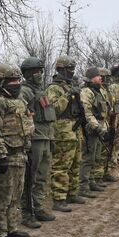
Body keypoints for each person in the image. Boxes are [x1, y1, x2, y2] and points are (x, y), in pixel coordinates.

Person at [0, 64, 32, 237]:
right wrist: (0, 155)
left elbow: (26, 124)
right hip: (6, 155)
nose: (17, 83)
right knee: (1, 196)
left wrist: (28, 146)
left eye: (19, 80)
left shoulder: (19, 100)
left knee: (15, 195)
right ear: (2, 81)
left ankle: (12, 227)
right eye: (13, 80)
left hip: (20, 153)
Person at [19, 57, 57, 227]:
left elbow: (49, 116)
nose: (40, 74)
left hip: (46, 137)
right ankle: (27, 213)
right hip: (34, 139)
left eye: (41, 71)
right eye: (36, 71)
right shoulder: (25, 91)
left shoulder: (42, 91)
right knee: (30, 177)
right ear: (27, 73)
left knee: (42, 176)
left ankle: (39, 207)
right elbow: (21, 116)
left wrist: (52, 137)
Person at [47, 56, 85, 212]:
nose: (71, 72)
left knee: (76, 163)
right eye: (69, 69)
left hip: (75, 129)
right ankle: (59, 198)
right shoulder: (53, 88)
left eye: (72, 69)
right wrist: (69, 95)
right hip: (62, 130)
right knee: (61, 165)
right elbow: (54, 109)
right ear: (61, 69)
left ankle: (72, 193)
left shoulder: (71, 85)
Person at [78, 67, 109, 199]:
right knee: (88, 158)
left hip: (99, 128)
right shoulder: (86, 91)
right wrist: (97, 127)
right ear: (91, 78)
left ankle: (91, 182)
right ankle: (83, 187)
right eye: (97, 76)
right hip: (91, 129)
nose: (100, 78)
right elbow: (87, 112)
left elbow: (104, 112)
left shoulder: (99, 91)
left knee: (95, 157)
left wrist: (105, 127)